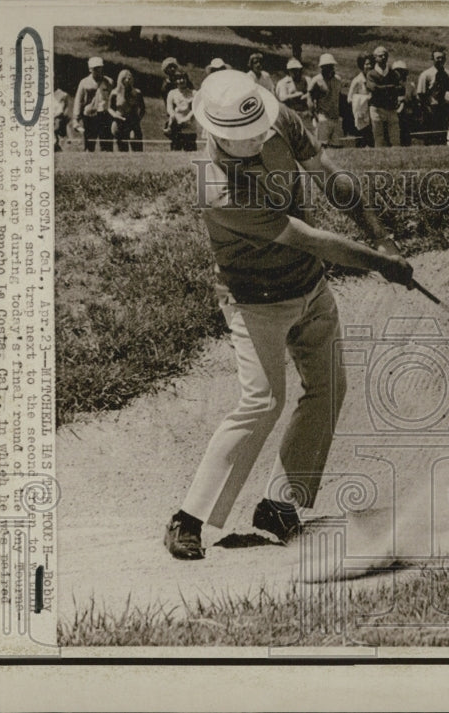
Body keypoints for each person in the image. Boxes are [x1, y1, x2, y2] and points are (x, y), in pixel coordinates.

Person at [165, 70, 414, 560]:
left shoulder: (279, 118)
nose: (256, 139)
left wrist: (380, 234)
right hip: (255, 300)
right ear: (215, 134)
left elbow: (329, 177)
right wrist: (379, 263)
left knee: (329, 388)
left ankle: (280, 505)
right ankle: (188, 517)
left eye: (257, 129)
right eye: (242, 138)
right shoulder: (215, 188)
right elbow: (308, 236)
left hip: (311, 287)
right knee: (263, 402)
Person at [71, 56, 114, 152]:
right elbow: (79, 101)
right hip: (90, 116)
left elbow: (113, 99)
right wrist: (76, 119)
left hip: (105, 115)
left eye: (100, 68)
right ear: (90, 69)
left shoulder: (109, 82)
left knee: (106, 143)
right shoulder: (84, 82)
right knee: (89, 143)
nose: (98, 71)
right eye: (95, 68)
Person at [365, 46, 403, 147]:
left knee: (395, 136)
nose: (383, 57)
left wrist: (381, 88)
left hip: (391, 108)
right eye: (380, 55)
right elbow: (373, 88)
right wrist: (391, 88)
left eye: (385, 55)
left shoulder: (393, 73)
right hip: (377, 108)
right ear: (375, 58)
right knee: (378, 137)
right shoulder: (371, 74)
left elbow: (400, 88)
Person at [307, 53, 344, 148]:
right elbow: (310, 97)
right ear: (322, 68)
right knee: (322, 144)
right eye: (326, 67)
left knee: (337, 145)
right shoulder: (317, 80)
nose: (330, 69)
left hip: (335, 115)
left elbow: (339, 96)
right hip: (323, 115)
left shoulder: (338, 80)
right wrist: (313, 114)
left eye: (331, 66)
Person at [416, 48, 449, 145]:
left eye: (442, 58)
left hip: (444, 108)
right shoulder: (426, 74)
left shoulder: (448, 74)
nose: (440, 60)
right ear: (433, 59)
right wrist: (426, 108)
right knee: (431, 134)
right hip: (431, 108)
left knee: (443, 134)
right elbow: (421, 94)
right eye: (438, 58)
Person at [108, 69, 146, 151]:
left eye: (129, 78)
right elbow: (110, 108)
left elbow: (142, 108)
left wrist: (138, 119)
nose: (127, 81)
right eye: (124, 78)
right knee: (122, 148)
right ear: (120, 80)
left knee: (137, 147)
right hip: (119, 122)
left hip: (133, 122)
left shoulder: (137, 93)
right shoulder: (114, 93)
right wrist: (115, 115)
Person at [166, 72, 197, 151]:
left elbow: (196, 108)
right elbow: (169, 107)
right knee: (175, 152)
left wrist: (187, 118)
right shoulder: (172, 93)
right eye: (179, 79)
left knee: (190, 152)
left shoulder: (194, 93)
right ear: (175, 81)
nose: (181, 80)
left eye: (183, 78)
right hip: (176, 126)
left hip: (190, 126)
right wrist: (173, 116)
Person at [347, 54, 374, 148]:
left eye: (371, 64)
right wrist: (364, 99)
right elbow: (349, 99)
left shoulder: (374, 79)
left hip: (373, 114)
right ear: (362, 65)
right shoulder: (357, 81)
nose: (369, 66)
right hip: (361, 115)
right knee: (362, 139)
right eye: (366, 64)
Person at [393, 61, 420, 147]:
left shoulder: (410, 85)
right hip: (395, 112)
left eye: (402, 71)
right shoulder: (391, 85)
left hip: (407, 113)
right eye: (397, 71)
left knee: (406, 133)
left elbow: (415, 99)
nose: (400, 73)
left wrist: (409, 101)